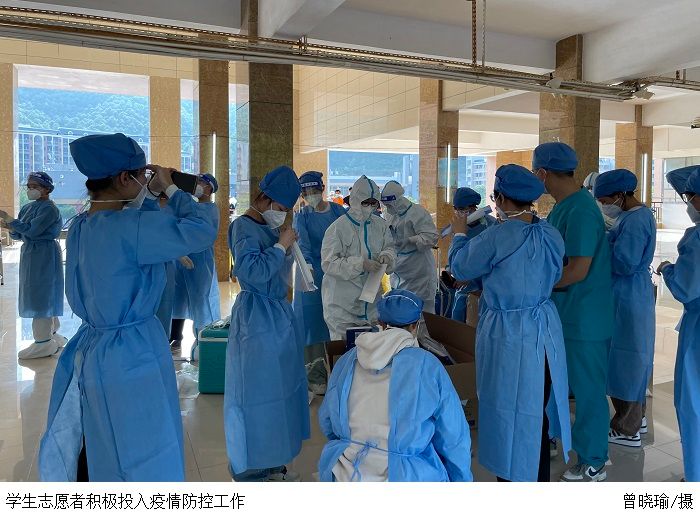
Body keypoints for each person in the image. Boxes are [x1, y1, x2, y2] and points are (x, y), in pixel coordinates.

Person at [38, 133, 217, 481]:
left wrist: (148, 195)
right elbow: (201, 230)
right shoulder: (132, 227)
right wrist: (173, 189)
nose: (145, 181)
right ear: (124, 178)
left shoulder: (82, 226)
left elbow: (139, 230)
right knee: (144, 449)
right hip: (132, 355)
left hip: (96, 350)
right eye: (140, 175)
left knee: (106, 441)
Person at [449, 164, 571, 482]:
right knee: (536, 409)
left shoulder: (496, 236)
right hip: (543, 331)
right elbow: (551, 273)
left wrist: (459, 233)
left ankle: (512, 478)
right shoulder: (550, 233)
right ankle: (537, 477)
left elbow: (460, 268)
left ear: (501, 198)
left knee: (506, 408)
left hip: (508, 334)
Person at [318, 289, 473, 482]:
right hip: (404, 474)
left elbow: (327, 420)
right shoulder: (427, 364)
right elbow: (453, 435)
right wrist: (462, 479)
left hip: (347, 470)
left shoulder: (348, 359)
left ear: (380, 323)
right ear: (416, 326)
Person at [533, 142, 614, 482]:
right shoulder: (564, 206)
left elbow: (578, 270)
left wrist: (536, 286)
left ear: (543, 173)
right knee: (559, 384)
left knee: (588, 391)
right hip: (567, 315)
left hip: (584, 319)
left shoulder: (580, 210)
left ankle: (594, 460)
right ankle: (557, 439)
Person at [225, 165, 310, 482]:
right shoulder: (242, 227)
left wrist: (288, 249)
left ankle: (273, 460)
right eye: (280, 207)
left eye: (287, 210)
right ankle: (252, 469)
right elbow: (253, 272)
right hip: (256, 319)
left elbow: (277, 270)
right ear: (264, 198)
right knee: (256, 394)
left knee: (282, 389)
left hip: (278, 315)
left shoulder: (271, 229)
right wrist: (280, 246)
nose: (282, 214)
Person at [594, 169, 656, 448]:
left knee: (626, 361)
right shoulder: (637, 215)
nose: (604, 205)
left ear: (620, 195)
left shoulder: (634, 221)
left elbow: (624, 262)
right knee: (633, 358)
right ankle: (636, 420)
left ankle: (626, 429)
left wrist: (601, 247)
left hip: (627, 293)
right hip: (631, 292)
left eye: (606, 200)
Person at [657, 166, 700, 482]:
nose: (689, 204)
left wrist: (667, 269)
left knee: (693, 404)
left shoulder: (696, 239)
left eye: (689, 197)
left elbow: (686, 288)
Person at [321, 175, 396, 340]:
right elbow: (329, 263)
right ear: (355, 200)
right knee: (344, 350)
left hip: (371, 305)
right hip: (342, 306)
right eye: (365, 202)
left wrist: (387, 256)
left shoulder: (380, 225)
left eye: (373, 203)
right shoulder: (338, 228)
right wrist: (360, 264)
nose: (370, 207)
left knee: (371, 350)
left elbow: (390, 247)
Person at [0, 172, 65, 360]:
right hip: (30, 253)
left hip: (44, 253)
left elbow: (32, 231)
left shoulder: (50, 209)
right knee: (40, 292)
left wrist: (10, 220)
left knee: (42, 294)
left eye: (35, 186)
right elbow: (20, 234)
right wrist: (10, 227)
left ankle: (43, 342)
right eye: (28, 186)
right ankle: (53, 334)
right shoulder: (28, 207)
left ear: (47, 189)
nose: (30, 190)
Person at [292, 172, 346, 390]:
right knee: (312, 323)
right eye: (305, 193)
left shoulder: (338, 212)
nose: (310, 196)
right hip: (312, 275)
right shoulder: (302, 215)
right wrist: (307, 265)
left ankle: (336, 370)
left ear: (322, 189)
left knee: (335, 320)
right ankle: (313, 375)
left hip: (336, 273)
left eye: (314, 191)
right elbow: (303, 244)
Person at [170, 173, 222, 347]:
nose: (196, 184)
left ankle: (203, 338)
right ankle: (175, 335)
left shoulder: (211, 209)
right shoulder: (191, 205)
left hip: (201, 261)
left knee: (201, 299)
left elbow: (203, 234)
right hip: (181, 258)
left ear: (209, 188)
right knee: (178, 298)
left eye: (200, 182)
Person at [380, 181, 439, 313]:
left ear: (398, 200)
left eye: (389, 205)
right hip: (400, 268)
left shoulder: (417, 212)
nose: (387, 208)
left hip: (419, 269)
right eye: (385, 205)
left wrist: (410, 240)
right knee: (401, 307)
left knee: (421, 311)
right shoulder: (390, 214)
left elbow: (431, 237)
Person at [445, 187, 497, 323]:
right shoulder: (459, 228)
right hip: (463, 289)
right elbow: (455, 252)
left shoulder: (491, 226)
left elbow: (492, 262)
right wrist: (451, 272)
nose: (459, 212)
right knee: (459, 320)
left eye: (463, 209)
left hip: (483, 288)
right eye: (456, 209)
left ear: (474, 208)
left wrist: (469, 275)